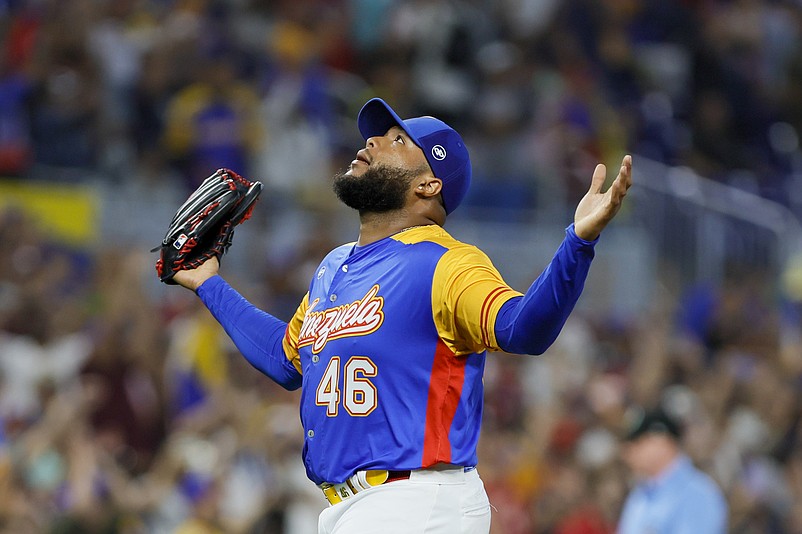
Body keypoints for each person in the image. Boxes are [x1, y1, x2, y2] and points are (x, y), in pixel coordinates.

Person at [170, 97, 633, 534]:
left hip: (417, 499)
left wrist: (577, 244)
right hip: (355, 507)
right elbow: (285, 360)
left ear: (429, 185)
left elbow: (522, 329)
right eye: (378, 136)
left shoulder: (445, 262)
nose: (372, 141)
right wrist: (208, 281)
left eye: (397, 141)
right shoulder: (334, 266)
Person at [617, 407, 728, 534]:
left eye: (637, 443)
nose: (627, 452)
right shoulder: (639, 495)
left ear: (661, 442)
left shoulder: (697, 494)